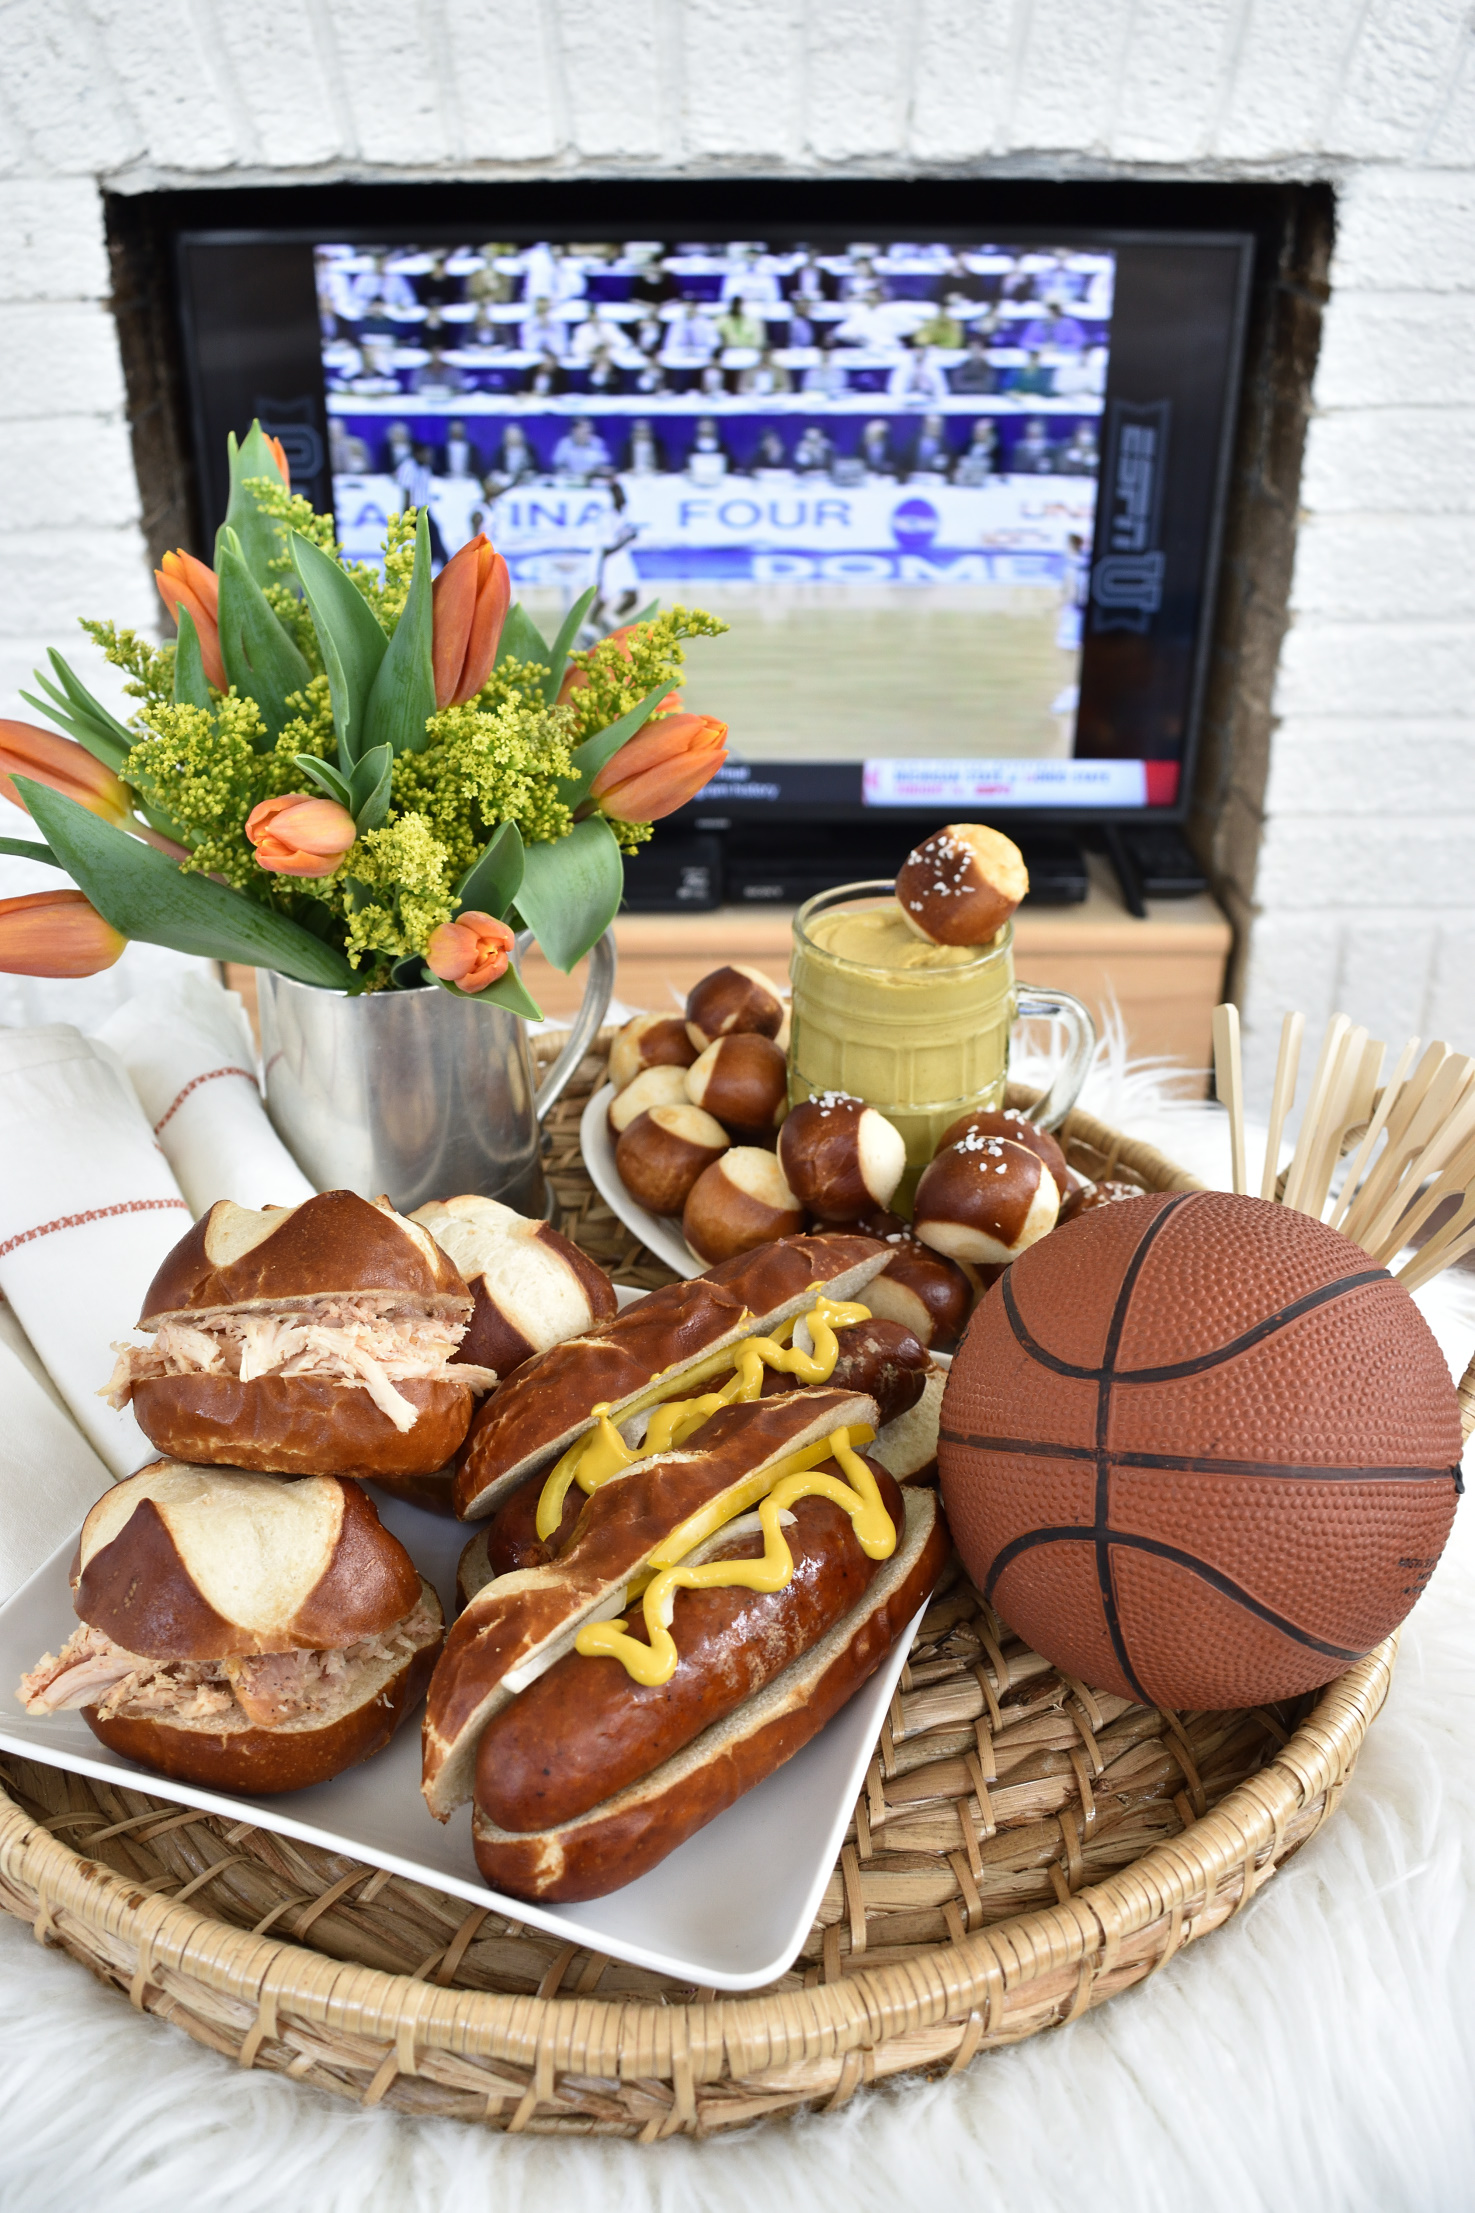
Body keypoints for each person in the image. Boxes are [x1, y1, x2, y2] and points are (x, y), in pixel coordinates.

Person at [395, 443, 447, 562]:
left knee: (429, 541)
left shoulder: (426, 468)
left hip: (425, 509)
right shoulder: (408, 467)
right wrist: (407, 514)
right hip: (415, 511)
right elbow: (407, 490)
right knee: (431, 537)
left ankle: (431, 563)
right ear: (417, 454)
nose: (428, 456)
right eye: (425, 454)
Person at [485, 422, 537, 492]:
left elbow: (535, 467)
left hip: (526, 480)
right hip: (505, 480)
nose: (514, 437)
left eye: (516, 435)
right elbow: (496, 468)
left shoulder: (529, 450)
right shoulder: (500, 451)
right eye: (511, 435)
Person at [952, 419, 999, 485]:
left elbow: (997, 469)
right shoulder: (968, 445)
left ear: (990, 433)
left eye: (982, 431)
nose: (978, 433)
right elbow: (958, 462)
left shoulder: (995, 448)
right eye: (977, 430)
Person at [685, 418, 728, 483]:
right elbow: (687, 467)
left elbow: (728, 467)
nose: (706, 431)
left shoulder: (722, 447)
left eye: (708, 430)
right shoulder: (692, 448)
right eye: (704, 430)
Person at [909, 413, 951, 479]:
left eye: (938, 426)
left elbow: (949, 466)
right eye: (933, 426)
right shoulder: (913, 442)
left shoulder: (945, 445)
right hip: (914, 477)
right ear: (925, 425)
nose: (935, 429)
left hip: (935, 478)